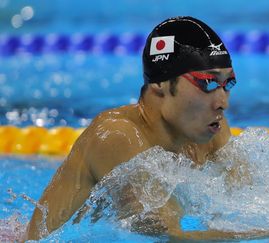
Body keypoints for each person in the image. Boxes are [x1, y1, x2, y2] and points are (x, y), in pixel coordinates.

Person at [24, 16, 241, 241]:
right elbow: (172, 237)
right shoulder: (117, 136)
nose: (222, 102)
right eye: (208, 83)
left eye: (228, 84)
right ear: (160, 83)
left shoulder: (205, 129)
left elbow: (246, 200)